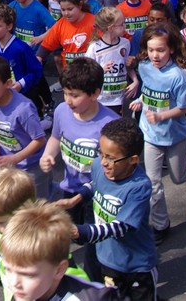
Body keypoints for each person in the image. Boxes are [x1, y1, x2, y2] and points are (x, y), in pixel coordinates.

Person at [56, 118, 158, 300]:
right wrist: (77, 198)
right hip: (107, 259)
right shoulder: (99, 166)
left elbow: (122, 226)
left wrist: (82, 231)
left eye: (110, 158)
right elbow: (95, 183)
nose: (103, 162)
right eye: (101, 153)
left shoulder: (139, 186)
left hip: (136, 266)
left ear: (133, 160)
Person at [39, 58, 119, 280]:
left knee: (93, 242)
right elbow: (56, 137)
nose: (68, 100)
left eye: (75, 95)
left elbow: (114, 170)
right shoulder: (62, 111)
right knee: (65, 234)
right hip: (69, 188)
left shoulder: (110, 125)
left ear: (95, 94)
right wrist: (48, 154)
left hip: (96, 195)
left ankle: (94, 284)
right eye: (66, 93)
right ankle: (62, 275)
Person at [130, 25, 186, 246]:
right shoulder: (145, 67)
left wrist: (162, 115)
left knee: (178, 178)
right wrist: (140, 100)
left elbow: (184, 107)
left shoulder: (177, 76)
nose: (155, 55)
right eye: (151, 50)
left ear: (171, 49)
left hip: (175, 135)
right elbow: (148, 90)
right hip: (150, 134)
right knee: (153, 182)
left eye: (160, 50)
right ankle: (161, 225)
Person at [0, 201, 121, 301]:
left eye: (28, 275)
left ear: (59, 270)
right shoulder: (26, 293)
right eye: (8, 269)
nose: (14, 282)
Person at [0, 57, 50, 200]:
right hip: (5, 163)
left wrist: (15, 158)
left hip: (32, 167)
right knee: (11, 203)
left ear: (8, 83)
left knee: (38, 204)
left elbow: (39, 140)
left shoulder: (23, 109)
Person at [0, 5, 53, 123]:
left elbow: (36, 71)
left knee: (30, 123)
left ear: (9, 26)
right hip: (3, 95)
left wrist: (20, 84)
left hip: (25, 95)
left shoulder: (21, 48)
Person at [85, 7, 138, 115]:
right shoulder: (94, 48)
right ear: (110, 28)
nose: (125, 26)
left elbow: (127, 66)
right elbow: (86, 73)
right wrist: (100, 70)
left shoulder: (125, 43)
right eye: (121, 24)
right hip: (101, 99)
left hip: (119, 98)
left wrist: (135, 81)